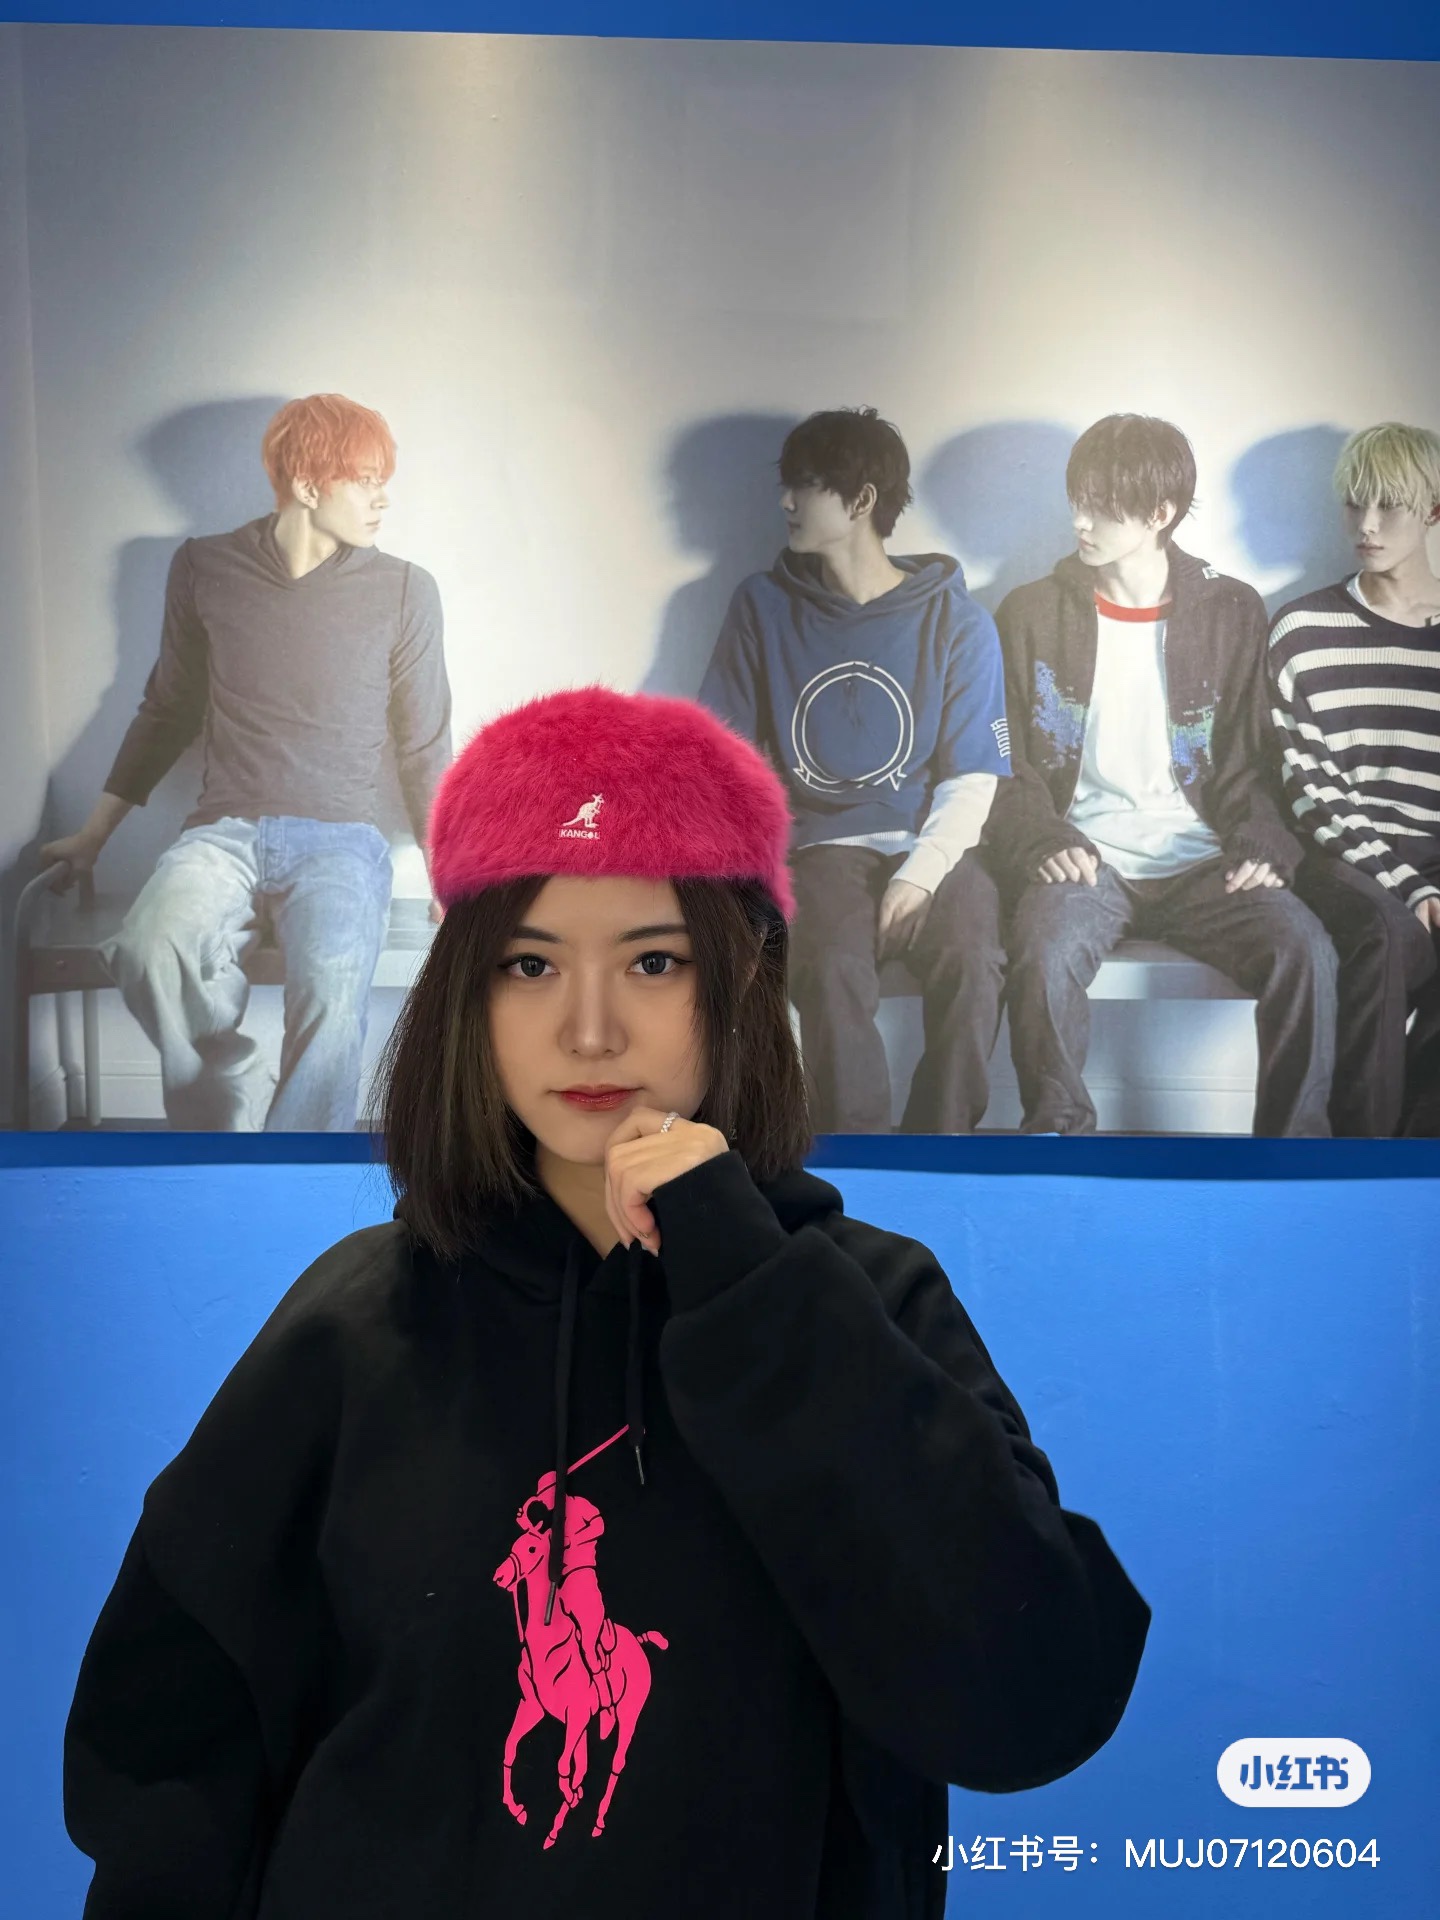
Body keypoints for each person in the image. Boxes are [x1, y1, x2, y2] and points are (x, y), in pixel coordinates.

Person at [64, 686, 1150, 1918]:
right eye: (530, 964)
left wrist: (745, 1278)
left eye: (653, 960)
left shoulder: (864, 1298)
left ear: (740, 978)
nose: (589, 1030)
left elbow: (1029, 1702)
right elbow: (170, 1749)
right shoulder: (353, 1323)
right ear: (468, 996)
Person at [39, 393, 452, 1132]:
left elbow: (424, 742)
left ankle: (289, 1167)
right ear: (307, 485)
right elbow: (167, 708)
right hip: (222, 834)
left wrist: (447, 869)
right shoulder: (204, 567)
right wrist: (93, 835)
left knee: (333, 988)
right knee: (148, 946)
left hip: (341, 844)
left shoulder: (403, 590)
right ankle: (223, 1118)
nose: (382, 499)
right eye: (366, 481)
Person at [984, 413, 1337, 1136]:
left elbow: (1256, 755)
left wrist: (1264, 843)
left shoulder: (1230, 610)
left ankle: (1293, 1158)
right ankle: (1057, 1141)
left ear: (1160, 513)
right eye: (1077, 500)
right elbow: (1006, 760)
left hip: (1206, 860)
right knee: (1044, 952)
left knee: (1306, 951)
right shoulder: (1030, 614)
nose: (1079, 522)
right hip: (1088, 858)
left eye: (1102, 507)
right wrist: (1041, 838)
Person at [698, 406, 1011, 1135]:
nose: (785, 502)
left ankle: (943, 1150)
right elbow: (719, 758)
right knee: (830, 966)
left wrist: (920, 874)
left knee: (974, 958)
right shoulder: (763, 606)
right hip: (820, 851)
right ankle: (858, 1159)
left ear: (862, 499)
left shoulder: (957, 621)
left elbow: (973, 775)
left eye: (804, 485)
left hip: (933, 847)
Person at [1268, 422, 1440, 1135]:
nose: (1366, 525)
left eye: (1389, 506)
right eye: (1354, 504)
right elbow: (1314, 794)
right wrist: (1413, 887)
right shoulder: (1302, 630)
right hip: (1346, 858)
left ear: (1433, 510)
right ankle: (1356, 1162)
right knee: (1387, 934)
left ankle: (1416, 1163)